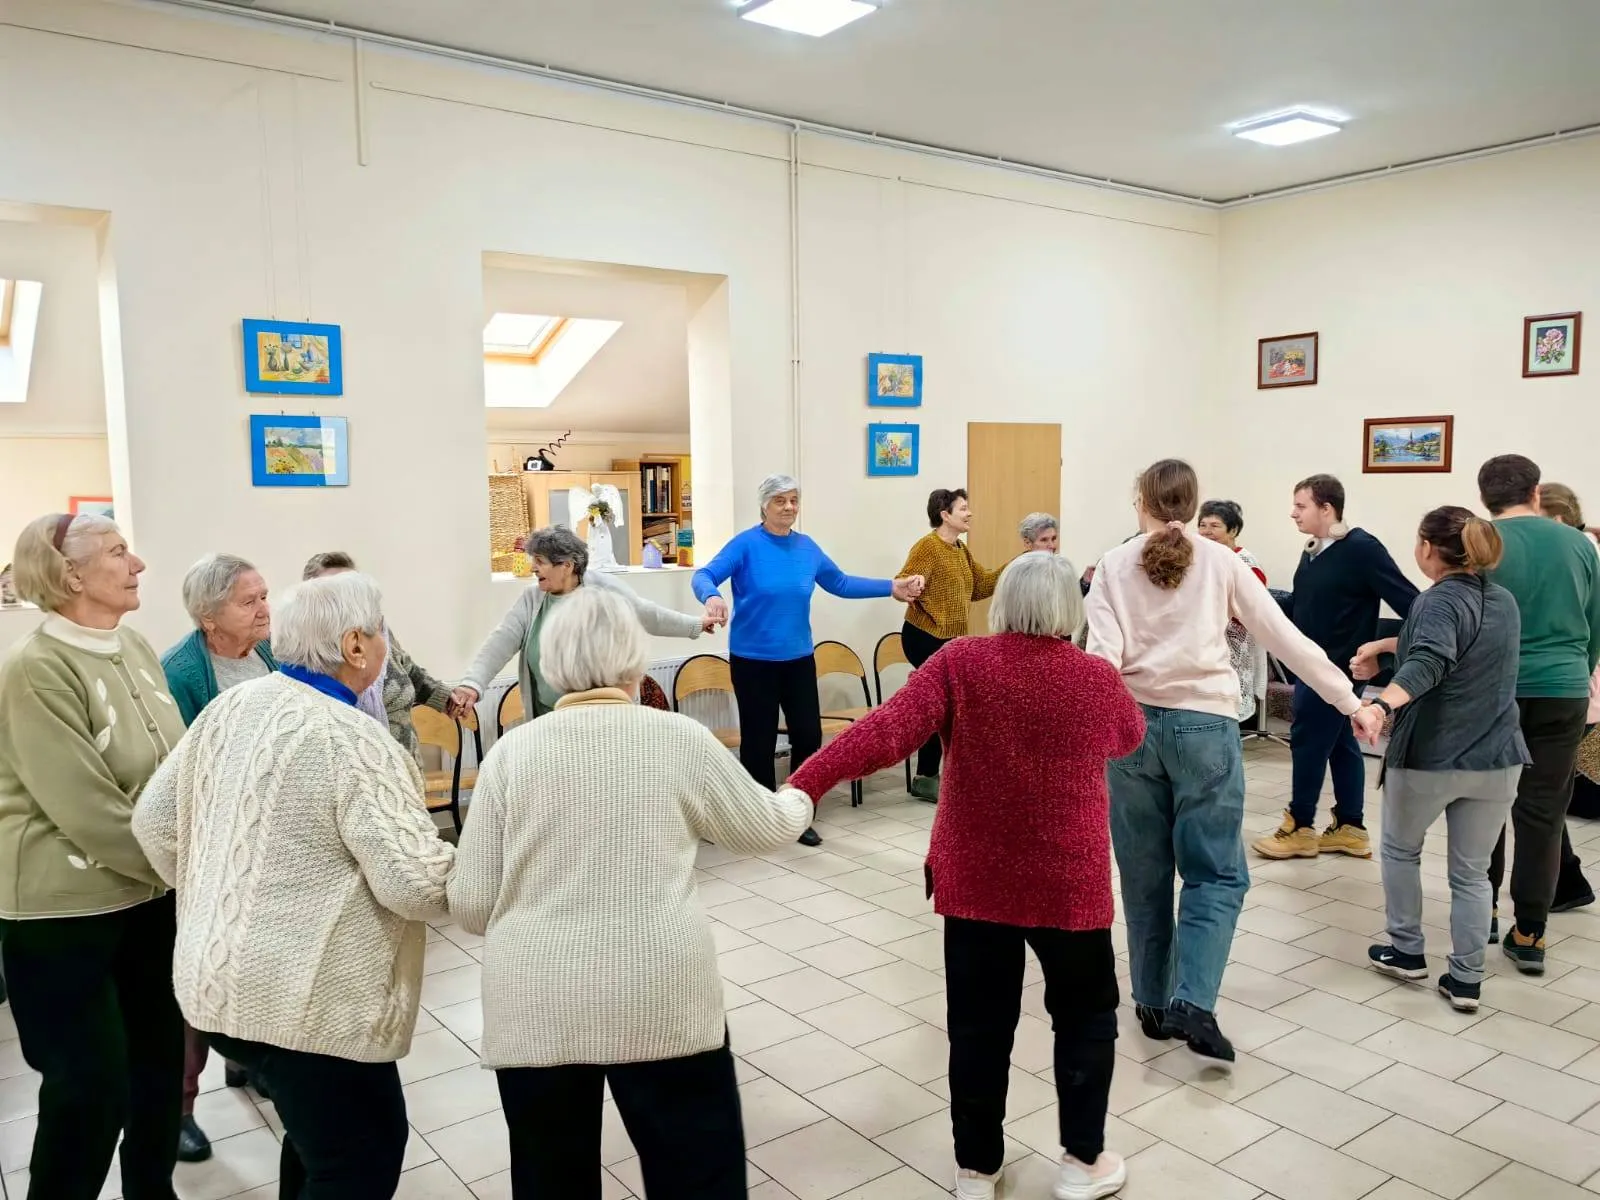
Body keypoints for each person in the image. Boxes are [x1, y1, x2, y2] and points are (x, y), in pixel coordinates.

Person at [788, 552, 1143, 1200]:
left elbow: (886, 731)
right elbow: (1128, 735)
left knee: (978, 1026)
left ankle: (976, 1169)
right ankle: (1080, 1164)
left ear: (1002, 600)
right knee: (1087, 1019)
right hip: (1069, 883)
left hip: (976, 881)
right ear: (1072, 608)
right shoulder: (1096, 679)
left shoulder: (960, 662)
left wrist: (807, 782)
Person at [449, 586, 811, 1199]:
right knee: (697, 1177)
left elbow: (473, 906)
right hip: (661, 993)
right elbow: (765, 828)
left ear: (549, 663)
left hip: (538, 1006)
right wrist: (803, 790)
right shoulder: (677, 738)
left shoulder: (511, 755)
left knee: (551, 1181)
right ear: (633, 661)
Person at [133, 572, 457, 1199]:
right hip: (306, 1005)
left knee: (315, 1141)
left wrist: (214, 894)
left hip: (214, 987)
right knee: (361, 1155)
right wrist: (486, 873)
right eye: (382, 631)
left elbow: (152, 821)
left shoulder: (235, 705)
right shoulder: (354, 739)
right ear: (356, 645)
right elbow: (414, 884)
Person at [1086, 460, 1377, 1068]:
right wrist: (1351, 701)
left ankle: (1150, 999)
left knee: (1144, 873)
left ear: (1138, 499)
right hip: (1206, 730)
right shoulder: (1223, 563)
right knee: (1215, 874)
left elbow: (1102, 662)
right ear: (1193, 507)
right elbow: (1286, 639)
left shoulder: (1113, 565)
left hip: (1131, 731)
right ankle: (1193, 1000)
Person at [0, 513, 188, 1200]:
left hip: (147, 899)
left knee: (157, 1070)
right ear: (70, 573)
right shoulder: (34, 667)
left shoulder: (133, 644)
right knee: (90, 1092)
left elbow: (172, 765)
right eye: (117, 553)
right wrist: (193, 862)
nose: (136, 564)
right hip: (63, 913)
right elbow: (87, 810)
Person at [1352, 508, 1529, 1012]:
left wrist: (1381, 704)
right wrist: (1387, 647)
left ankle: (1407, 950)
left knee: (1402, 851)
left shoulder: (1435, 601)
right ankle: (1467, 979)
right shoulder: (1504, 601)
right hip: (1498, 757)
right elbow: (1453, 649)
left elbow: (1431, 659)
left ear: (1428, 548)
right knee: (1472, 873)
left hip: (1433, 755)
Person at [692, 475, 923, 845]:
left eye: (794, 500)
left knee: (807, 735)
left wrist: (891, 587)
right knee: (759, 740)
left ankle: (799, 811)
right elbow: (705, 574)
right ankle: (762, 816)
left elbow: (841, 583)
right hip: (753, 661)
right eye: (780, 500)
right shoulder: (746, 545)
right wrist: (711, 597)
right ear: (764, 505)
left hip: (798, 659)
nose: (788, 507)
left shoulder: (807, 548)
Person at [160, 552, 276, 1160]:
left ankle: (246, 1061)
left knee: (250, 962)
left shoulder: (268, 653)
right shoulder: (180, 673)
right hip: (207, 844)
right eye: (248, 601)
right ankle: (179, 1107)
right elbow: (174, 774)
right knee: (198, 977)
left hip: (263, 839)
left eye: (263, 596)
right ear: (210, 618)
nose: (264, 609)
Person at [1252, 474, 1418, 860]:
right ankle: (1350, 827)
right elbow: (1304, 606)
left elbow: (1414, 603)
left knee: (1309, 741)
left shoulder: (1362, 548)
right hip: (1310, 666)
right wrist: (1255, 599)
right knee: (1342, 744)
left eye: (1300, 505)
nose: (1292, 513)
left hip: (1337, 670)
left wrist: (1384, 650)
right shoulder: (1313, 550)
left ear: (1327, 509)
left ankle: (1300, 826)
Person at [1478, 455, 1600, 973]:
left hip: (1492, 690)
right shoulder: (1579, 543)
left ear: (1484, 497)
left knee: (1483, 804)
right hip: (1564, 689)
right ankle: (1530, 932)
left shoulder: (1478, 540)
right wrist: (1576, 672)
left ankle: (1479, 911)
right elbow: (1596, 623)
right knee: (1543, 812)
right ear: (1536, 491)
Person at [453, 526, 713, 727]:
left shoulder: (604, 589)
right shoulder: (532, 599)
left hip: (605, 720)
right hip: (549, 717)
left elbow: (648, 615)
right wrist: (472, 684)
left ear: (567, 565)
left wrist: (696, 625)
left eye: (541, 561)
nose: (533, 568)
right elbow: (501, 641)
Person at [896, 488, 1005, 801]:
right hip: (923, 635)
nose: (969, 513)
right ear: (944, 514)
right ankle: (927, 776)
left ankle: (931, 775)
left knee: (947, 707)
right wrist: (915, 584)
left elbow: (981, 585)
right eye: (963, 508)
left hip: (949, 639)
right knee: (943, 706)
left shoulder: (960, 549)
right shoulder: (928, 547)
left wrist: (1018, 565)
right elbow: (905, 578)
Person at [302, 550, 454, 762]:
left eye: (353, 588)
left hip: (405, 768)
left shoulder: (377, 629)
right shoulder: (306, 651)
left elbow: (406, 668)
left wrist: (445, 697)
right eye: (336, 591)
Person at [1535, 484, 1599, 912]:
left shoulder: (1580, 556)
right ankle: (1565, 880)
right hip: (1575, 688)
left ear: (1556, 520)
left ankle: (1566, 882)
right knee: (1544, 794)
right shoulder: (1582, 551)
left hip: (1577, 690)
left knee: (1542, 796)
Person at [1196, 499, 1268, 724]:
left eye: (1215, 526)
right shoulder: (1200, 557)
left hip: (1233, 645)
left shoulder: (1245, 563)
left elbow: (1250, 611)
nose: (1207, 532)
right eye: (1202, 525)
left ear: (1233, 530)